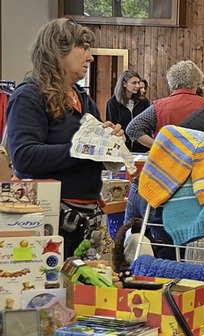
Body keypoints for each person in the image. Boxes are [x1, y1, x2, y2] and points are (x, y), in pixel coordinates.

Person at [5, 18, 124, 258]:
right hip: (50, 222)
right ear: (57, 51)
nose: (90, 57)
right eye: (84, 48)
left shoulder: (84, 99)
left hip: (87, 217)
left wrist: (109, 145)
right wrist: (86, 148)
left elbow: (90, 157)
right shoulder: (29, 96)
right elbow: (24, 157)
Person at [125, 60, 204, 149]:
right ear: (196, 83)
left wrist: (159, 146)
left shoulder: (157, 107)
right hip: (199, 159)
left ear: (171, 82)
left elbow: (132, 128)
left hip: (166, 159)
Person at [105, 69, 150, 152]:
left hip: (142, 148)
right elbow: (112, 127)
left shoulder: (143, 101)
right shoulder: (112, 103)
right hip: (122, 148)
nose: (137, 85)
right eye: (134, 83)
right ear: (124, 84)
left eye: (138, 82)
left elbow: (148, 126)